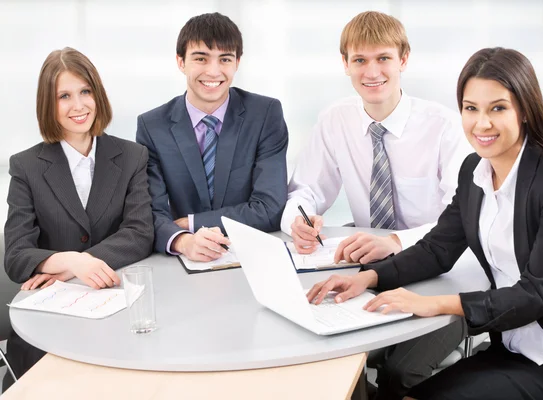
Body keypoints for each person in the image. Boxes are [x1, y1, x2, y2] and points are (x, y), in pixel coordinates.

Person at [308, 47, 543, 400]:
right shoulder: (473, 172)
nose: (482, 123)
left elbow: (535, 296)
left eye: (498, 108)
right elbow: (438, 249)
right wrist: (368, 278)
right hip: (508, 349)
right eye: (470, 108)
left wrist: (434, 303)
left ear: (524, 110)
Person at [281, 11, 471, 399]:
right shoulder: (335, 121)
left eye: (383, 58)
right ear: (345, 64)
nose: (372, 71)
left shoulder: (443, 126)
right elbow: (304, 190)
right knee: (332, 360)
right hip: (367, 273)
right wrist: (298, 220)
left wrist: (397, 241)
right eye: (360, 60)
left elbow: (465, 214)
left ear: (403, 59)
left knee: (401, 371)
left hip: (444, 276)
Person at [3, 47, 154, 389]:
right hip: (49, 325)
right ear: (48, 104)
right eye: (64, 96)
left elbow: (139, 232)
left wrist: (80, 264)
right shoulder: (26, 166)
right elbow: (15, 255)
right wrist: (67, 259)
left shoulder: (131, 156)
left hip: (113, 313)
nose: (78, 105)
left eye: (85, 91)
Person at [136, 13, 289, 261]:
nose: (213, 71)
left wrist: (191, 223)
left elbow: (270, 208)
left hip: (254, 256)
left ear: (237, 63)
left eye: (225, 59)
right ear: (180, 62)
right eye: (201, 58)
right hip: (184, 263)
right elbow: (148, 212)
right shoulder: (152, 126)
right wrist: (183, 240)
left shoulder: (265, 115)